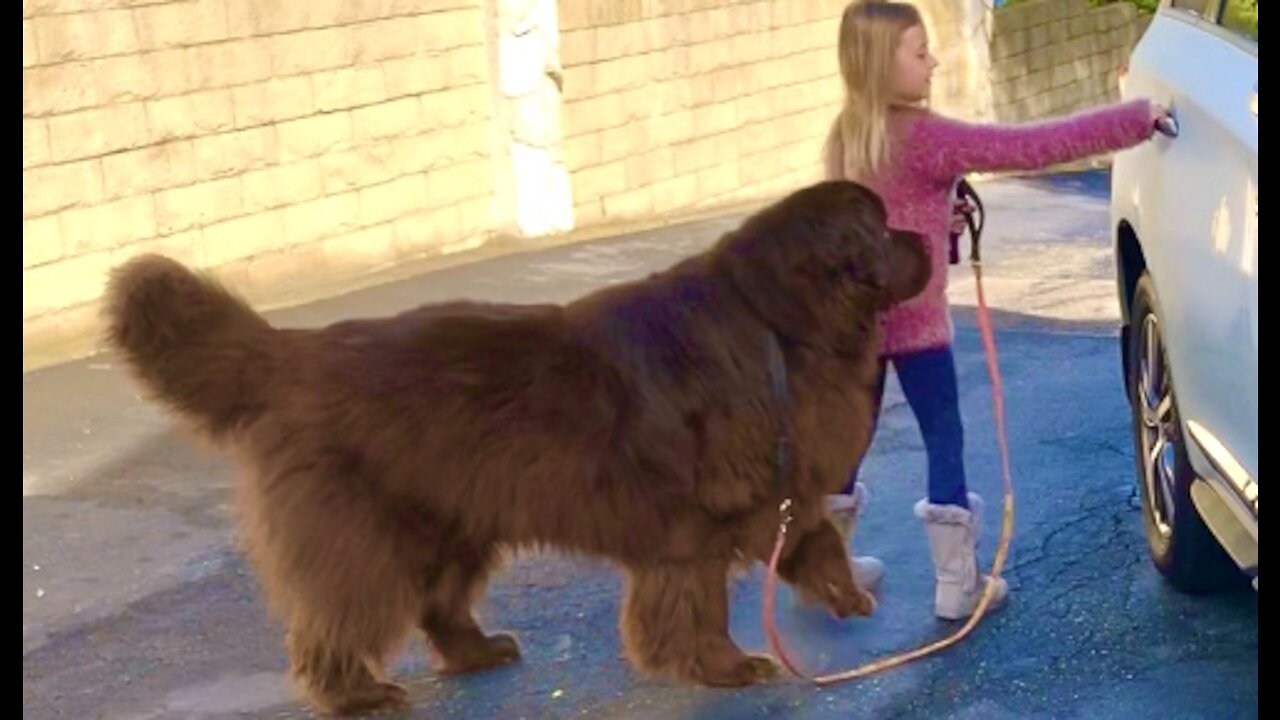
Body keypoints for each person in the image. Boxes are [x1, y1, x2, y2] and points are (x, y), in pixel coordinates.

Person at [822, 0, 1168, 620]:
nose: (934, 61)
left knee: (847, 438)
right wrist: (1136, 119)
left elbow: (862, 225)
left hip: (851, 328)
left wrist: (941, 222)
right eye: (919, 51)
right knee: (944, 438)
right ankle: (956, 583)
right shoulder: (926, 135)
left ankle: (825, 571)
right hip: (919, 327)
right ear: (880, 63)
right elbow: (1032, 146)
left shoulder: (844, 137)